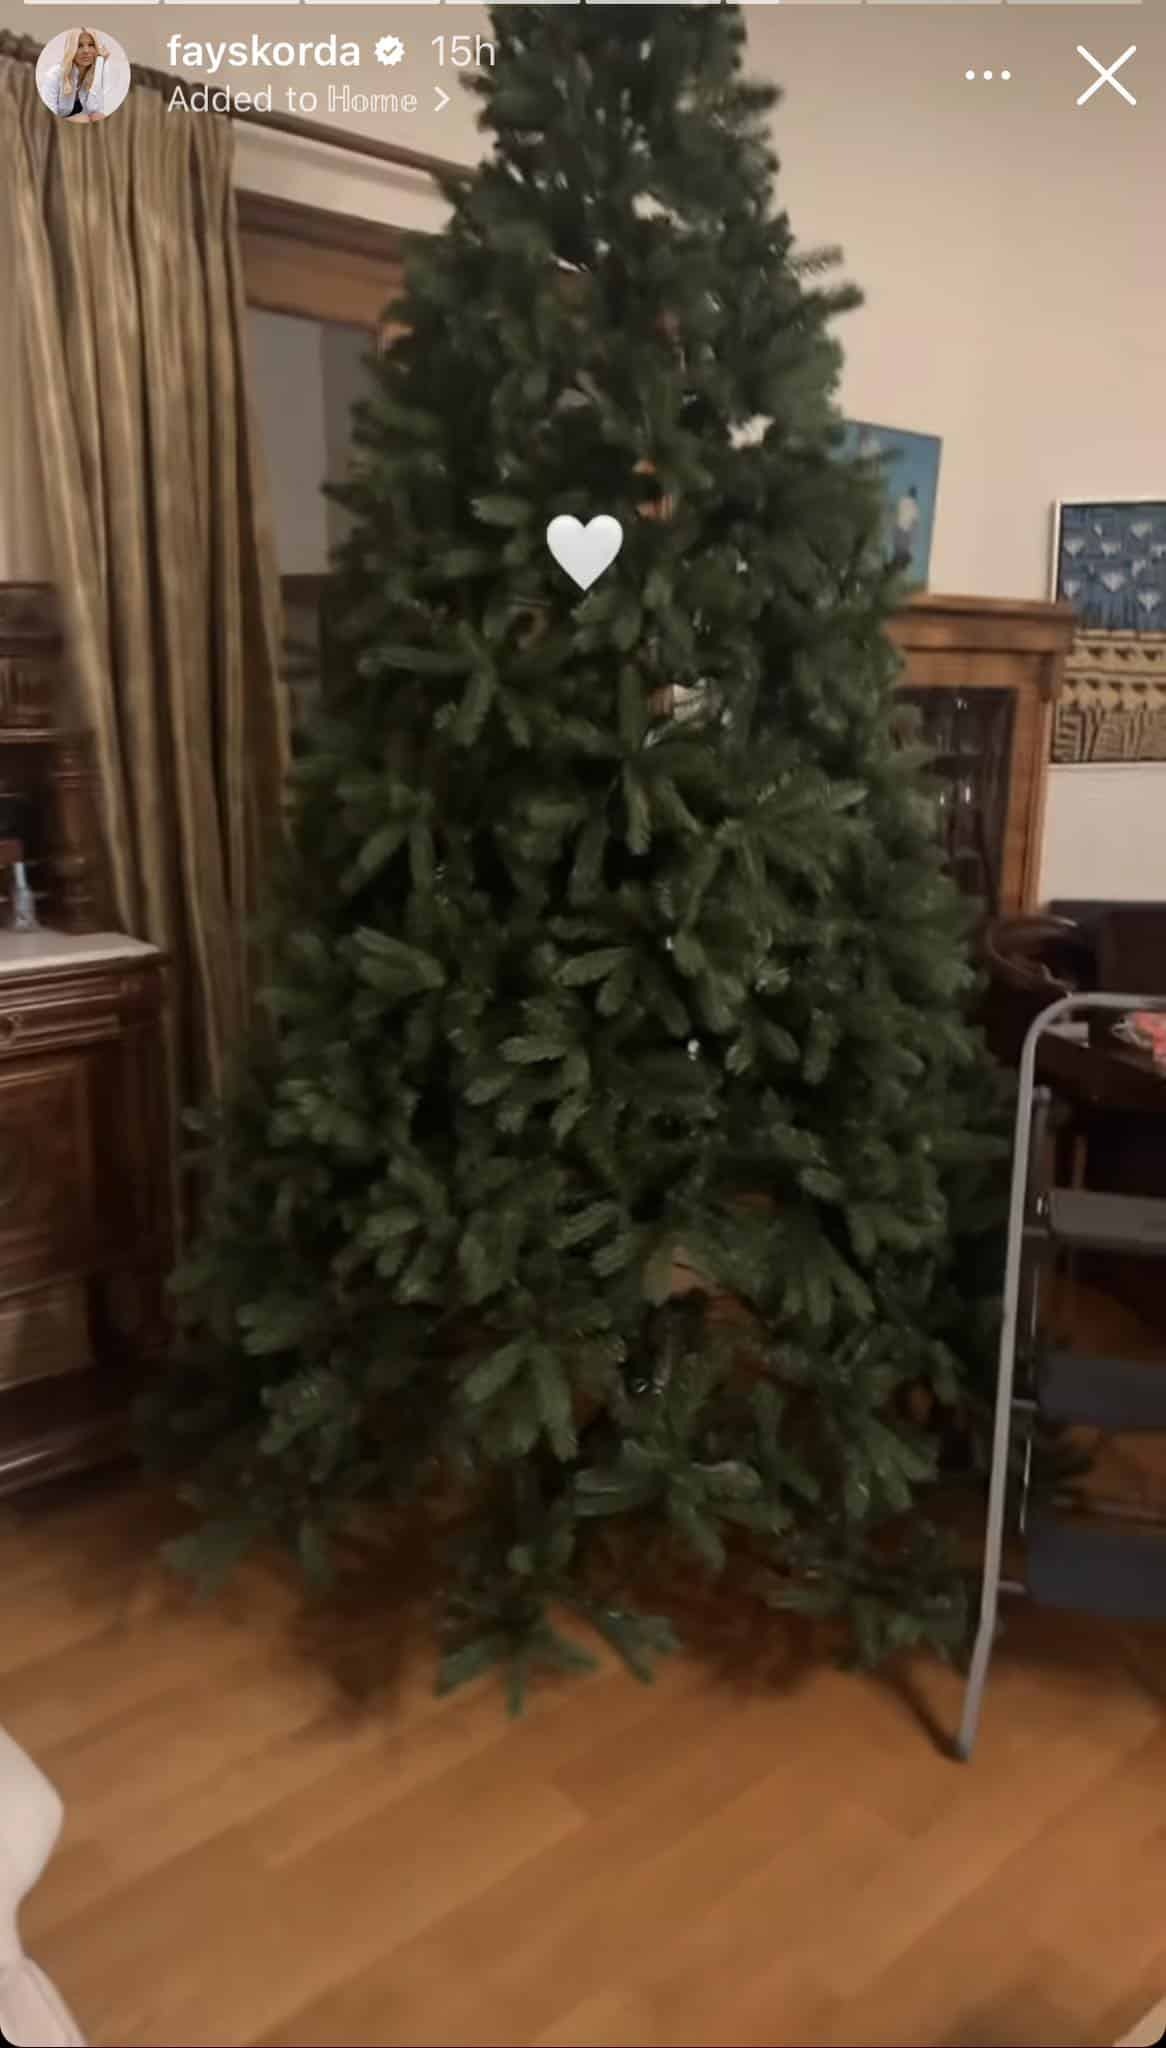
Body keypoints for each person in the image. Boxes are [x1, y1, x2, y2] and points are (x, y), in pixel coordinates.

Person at [45, 28, 107, 120]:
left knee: (98, 116)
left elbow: (93, 108)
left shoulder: (95, 73)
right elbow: (48, 113)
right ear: (71, 49)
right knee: (83, 118)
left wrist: (100, 65)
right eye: (79, 46)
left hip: (82, 123)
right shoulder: (55, 74)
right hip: (58, 122)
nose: (86, 51)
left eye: (91, 45)